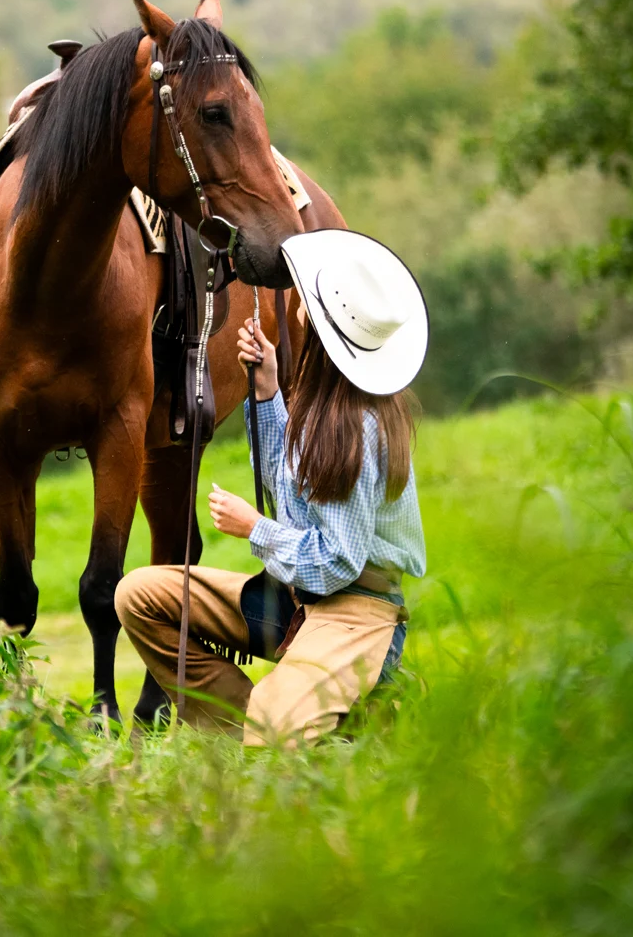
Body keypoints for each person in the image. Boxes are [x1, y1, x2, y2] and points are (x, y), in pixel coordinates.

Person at [115, 229, 429, 747]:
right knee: (140, 596)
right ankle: (244, 730)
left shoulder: (354, 428)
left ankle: (306, 724)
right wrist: (266, 389)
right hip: (297, 598)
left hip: (353, 612)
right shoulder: (327, 407)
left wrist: (253, 528)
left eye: (309, 302)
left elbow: (336, 564)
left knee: (277, 727)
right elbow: (293, 489)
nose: (300, 304)